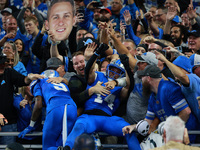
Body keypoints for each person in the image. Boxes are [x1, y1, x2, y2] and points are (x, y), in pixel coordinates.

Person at [61, 44, 141, 150]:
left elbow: (128, 85)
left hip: (108, 118)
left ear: (121, 74)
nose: (114, 72)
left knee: (128, 129)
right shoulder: (98, 75)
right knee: (79, 126)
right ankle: (66, 148)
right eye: (112, 69)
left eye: (117, 72)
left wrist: (126, 65)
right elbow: (88, 70)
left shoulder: (122, 85)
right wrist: (95, 54)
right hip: (89, 116)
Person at [122, 65, 199, 143]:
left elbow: (186, 112)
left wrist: (171, 129)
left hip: (188, 134)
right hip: (174, 137)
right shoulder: (152, 97)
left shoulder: (169, 88)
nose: (141, 80)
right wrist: (133, 127)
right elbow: (148, 122)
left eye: (142, 77)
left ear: (148, 78)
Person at [18, 57, 77, 149]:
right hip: (72, 107)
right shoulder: (59, 77)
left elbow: (38, 104)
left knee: (48, 146)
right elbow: (67, 83)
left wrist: (31, 125)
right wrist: (63, 80)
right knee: (64, 145)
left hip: (56, 107)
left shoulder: (37, 81)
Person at [0, 52, 44, 145]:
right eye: (1, 63)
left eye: (4, 62)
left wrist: (30, 77)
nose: (4, 65)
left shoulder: (8, 72)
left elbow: (23, 80)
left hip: (9, 123)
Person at [155, 52, 200, 124]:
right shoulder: (182, 83)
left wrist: (165, 60)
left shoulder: (193, 78)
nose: (173, 72)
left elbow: (182, 76)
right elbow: (168, 83)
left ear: (183, 69)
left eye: (176, 68)